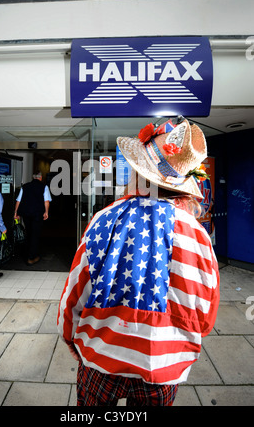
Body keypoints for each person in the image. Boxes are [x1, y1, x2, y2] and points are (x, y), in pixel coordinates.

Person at [57, 117, 220, 406]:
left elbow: (74, 292)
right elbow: (206, 313)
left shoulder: (103, 219)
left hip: (100, 359)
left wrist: (68, 335)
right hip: (163, 369)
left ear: (137, 172)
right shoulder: (198, 235)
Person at [14, 171, 52, 265]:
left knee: (29, 232)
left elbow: (19, 200)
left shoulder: (25, 186)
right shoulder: (44, 187)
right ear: (41, 177)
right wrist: (46, 212)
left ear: (33, 177)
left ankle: (28, 254)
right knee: (35, 234)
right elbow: (46, 201)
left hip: (26, 214)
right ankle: (32, 257)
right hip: (37, 214)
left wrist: (16, 212)